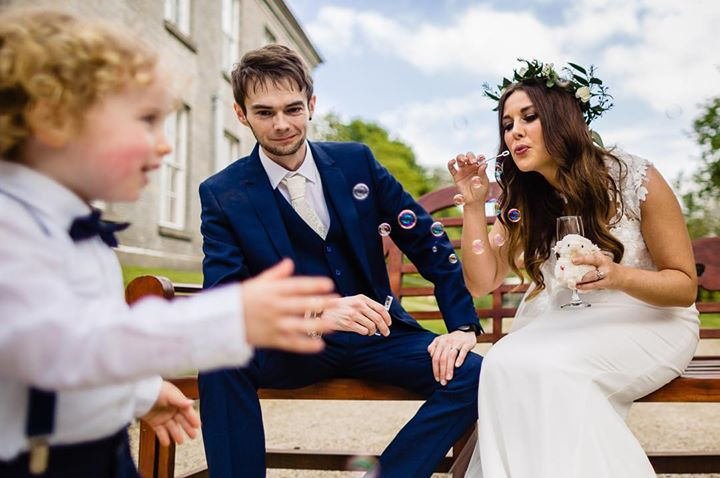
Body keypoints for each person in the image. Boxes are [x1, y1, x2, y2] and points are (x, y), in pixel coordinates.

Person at [0, 10, 337, 477]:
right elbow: (48, 347)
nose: (164, 146)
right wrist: (229, 315)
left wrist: (139, 391)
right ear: (54, 120)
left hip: (99, 454)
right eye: (146, 121)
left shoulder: (77, 226)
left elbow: (94, 332)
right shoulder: (9, 226)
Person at [198, 44, 483, 478]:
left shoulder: (357, 163)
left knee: (477, 374)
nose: (281, 125)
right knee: (220, 358)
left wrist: (461, 327)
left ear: (311, 104)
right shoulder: (222, 193)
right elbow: (225, 295)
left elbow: (427, 241)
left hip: (378, 334)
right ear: (240, 114)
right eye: (264, 112)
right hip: (291, 344)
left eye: (293, 108)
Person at [449, 59, 700, 477]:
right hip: (568, 321)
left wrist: (617, 275)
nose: (515, 132)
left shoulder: (634, 177)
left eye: (529, 117)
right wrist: (475, 205)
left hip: (653, 318)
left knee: (550, 370)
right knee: (501, 364)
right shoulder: (522, 200)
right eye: (507, 124)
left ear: (562, 119)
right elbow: (482, 281)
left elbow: (684, 287)